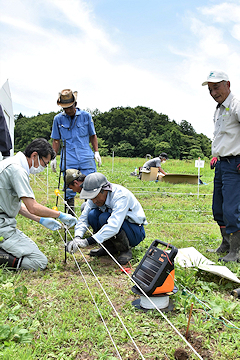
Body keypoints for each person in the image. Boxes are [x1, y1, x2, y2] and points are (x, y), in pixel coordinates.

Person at [0, 138, 78, 270]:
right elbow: (33, 207)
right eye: (45, 163)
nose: (44, 167)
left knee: (31, 249)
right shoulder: (17, 170)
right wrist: (60, 215)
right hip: (2, 225)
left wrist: (41, 220)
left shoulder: (9, 163)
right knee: (39, 262)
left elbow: (15, 206)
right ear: (34, 155)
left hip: (4, 221)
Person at [67, 172, 147, 265]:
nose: (94, 201)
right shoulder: (94, 198)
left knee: (104, 217)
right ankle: (109, 247)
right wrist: (77, 237)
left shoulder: (121, 196)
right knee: (92, 214)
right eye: (91, 198)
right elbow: (84, 218)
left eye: (95, 197)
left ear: (104, 190)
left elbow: (114, 225)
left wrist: (87, 241)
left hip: (134, 231)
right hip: (119, 227)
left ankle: (125, 250)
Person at [202, 70, 240, 262]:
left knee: (232, 209)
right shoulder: (219, 109)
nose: (213, 92)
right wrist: (215, 154)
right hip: (221, 163)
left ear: (228, 84)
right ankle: (225, 244)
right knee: (218, 207)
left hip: (235, 164)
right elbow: (221, 136)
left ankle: (236, 250)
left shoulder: (236, 105)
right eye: (210, 89)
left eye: (216, 87)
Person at [50, 89, 101, 216]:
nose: (67, 110)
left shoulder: (86, 116)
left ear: (75, 104)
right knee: (69, 187)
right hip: (68, 157)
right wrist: (53, 157)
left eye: (69, 107)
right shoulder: (58, 119)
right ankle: (70, 217)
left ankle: (89, 215)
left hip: (85, 156)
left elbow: (93, 135)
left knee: (90, 184)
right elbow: (56, 140)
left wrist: (96, 152)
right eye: (64, 108)